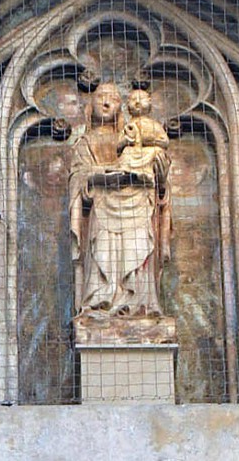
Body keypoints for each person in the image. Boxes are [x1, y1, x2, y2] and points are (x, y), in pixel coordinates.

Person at [69, 84, 171, 317]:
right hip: (103, 206)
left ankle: (138, 306)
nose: (106, 103)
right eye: (100, 98)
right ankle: (101, 300)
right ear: (89, 105)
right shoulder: (84, 143)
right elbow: (78, 179)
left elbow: (161, 184)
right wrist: (101, 175)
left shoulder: (136, 137)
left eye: (112, 99)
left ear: (120, 107)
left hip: (138, 205)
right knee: (103, 252)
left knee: (138, 251)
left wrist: (159, 171)